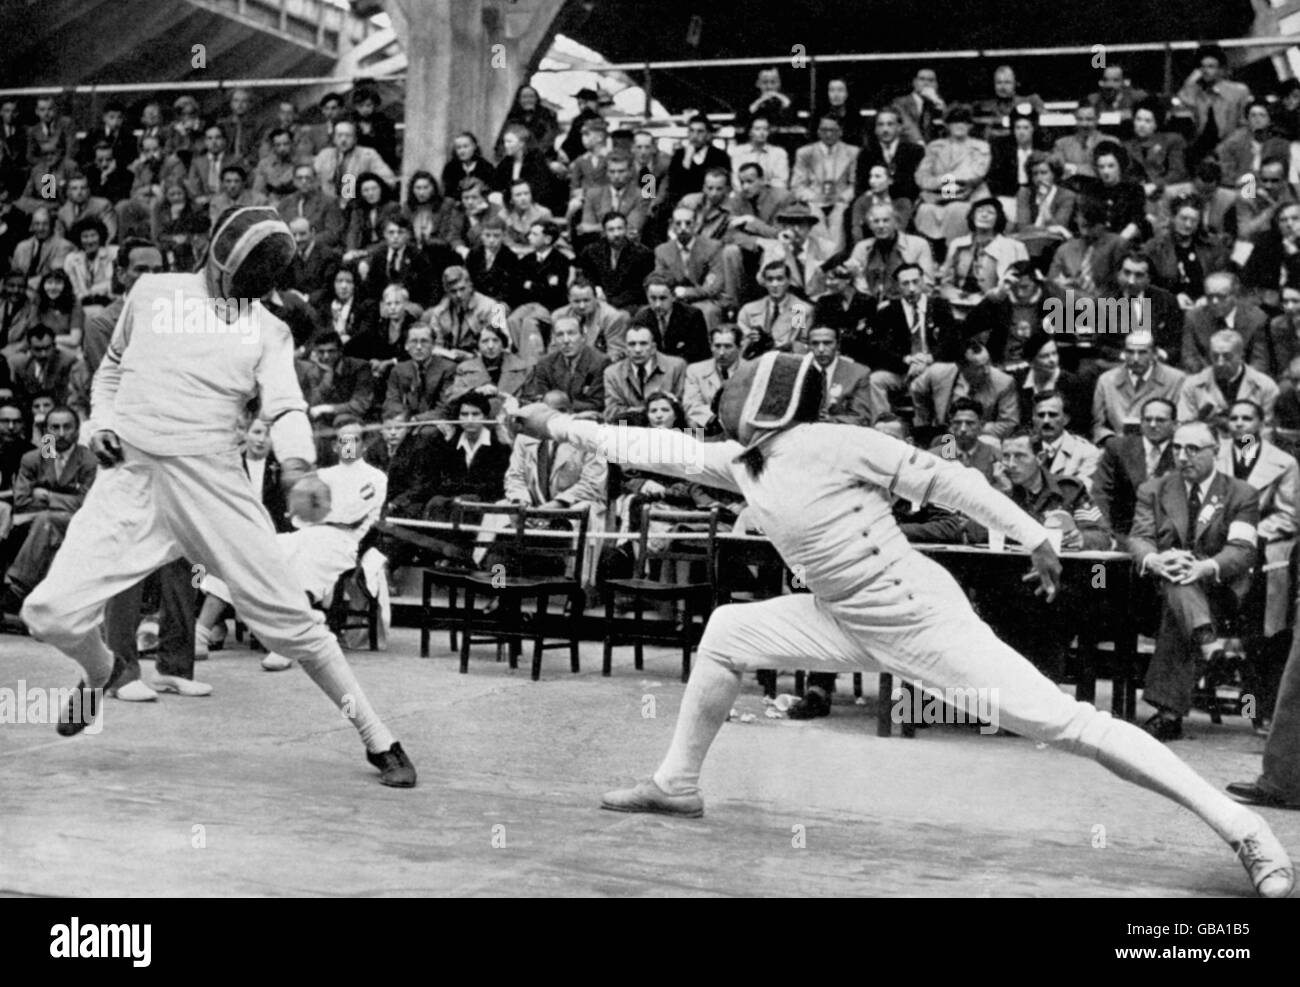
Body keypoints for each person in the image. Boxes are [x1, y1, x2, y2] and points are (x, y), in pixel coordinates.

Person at [504, 354, 1294, 898]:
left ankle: (1244, 830)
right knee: (727, 633)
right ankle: (677, 783)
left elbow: (947, 479)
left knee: (1071, 724)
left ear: (769, 400)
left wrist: (1033, 534)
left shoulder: (839, 441)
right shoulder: (742, 459)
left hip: (919, 619)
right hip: (840, 616)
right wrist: (553, 424)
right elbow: (655, 446)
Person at [17, 207, 415, 785]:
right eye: (227, 281)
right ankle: (105, 670)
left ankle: (379, 737)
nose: (232, 294)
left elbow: (286, 408)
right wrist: (99, 423)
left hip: (212, 486)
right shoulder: (152, 292)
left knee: (291, 623)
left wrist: (299, 469)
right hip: (131, 479)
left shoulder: (268, 328)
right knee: (46, 613)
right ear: (210, 255)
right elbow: (111, 370)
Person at [1129, 421, 1260, 744]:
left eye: (1193, 449)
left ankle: (1169, 714)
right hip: (1160, 587)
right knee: (1177, 582)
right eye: (1177, 448)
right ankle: (1210, 647)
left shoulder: (1241, 493)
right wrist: (1154, 559)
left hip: (1219, 590)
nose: (1182, 456)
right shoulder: (1154, 489)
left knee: (1181, 588)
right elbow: (1139, 538)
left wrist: (1203, 567)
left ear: (1215, 451)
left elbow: (1242, 551)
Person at [1, 406, 98, 612]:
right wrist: (67, 497)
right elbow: (22, 499)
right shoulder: (37, 456)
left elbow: (88, 502)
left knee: (47, 521)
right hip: (34, 519)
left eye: (67, 427)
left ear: (78, 430)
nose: (61, 434)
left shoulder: (88, 459)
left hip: (78, 520)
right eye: (55, 427)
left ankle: (17, 589)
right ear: (46, 431)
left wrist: (47, 495)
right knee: (44, 522)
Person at [1091, 396, 1178, 538]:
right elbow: (1101, 493)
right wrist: (1105, 533)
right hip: (1122, 533)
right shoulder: (1118, 448)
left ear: (1174, 424)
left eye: (1160, 420)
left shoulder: (1180, 451)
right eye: (1147, 419)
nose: (1153, 424)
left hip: (1167, 534)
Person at [1091, 330, 1186, 446]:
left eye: (1142, 353)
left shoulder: (1176, 380)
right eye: (1130, 352)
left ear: (1154, 354)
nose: (1135, 359)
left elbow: (1181, 423)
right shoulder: (1107, 381)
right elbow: (1098, 425)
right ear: (1123, 354)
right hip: (1118, 448)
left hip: (1161, 447)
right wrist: (1112, 441)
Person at [911, 340, 1019, 440]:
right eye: (979, 367)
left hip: (980, 439)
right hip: (944, 437)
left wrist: (973, 430)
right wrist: (923, 419)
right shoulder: (938, 372)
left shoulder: (1004, 382)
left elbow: (1009, 423)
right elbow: (916, 389)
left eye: (988, 363)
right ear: (961, 366)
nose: (987, 370)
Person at [1178, 328, 1279, 432]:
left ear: (1241, 355)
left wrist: (1243, 447)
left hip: (1248, 444)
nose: (1220, 363)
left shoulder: (1265, 386)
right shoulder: (1192, 385)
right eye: (1215, 356)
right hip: (1206, 444)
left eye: (1227, 356)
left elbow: (1265, 431)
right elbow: (1185, 427)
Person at [523, 315, 607, 416]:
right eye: (560, 335)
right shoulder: (545, 363)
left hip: (588, 418)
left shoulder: (600, 362)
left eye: (571, 333)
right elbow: (541, 397)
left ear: (583, 337)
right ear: (554, 339)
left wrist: (564, 406)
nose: (566, 340)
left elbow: (597, 403)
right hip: (553, 418)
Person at [603, 324, 687, 422]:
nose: (637, 350)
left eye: (643, 344)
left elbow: (681, 406)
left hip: (667, 428)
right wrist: (648, 412)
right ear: (625, 348)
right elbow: (611, 411)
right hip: (630, 428)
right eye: (632, 344)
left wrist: (635, 412)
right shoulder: (612, 373)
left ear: (653, 347)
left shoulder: (676, 366)